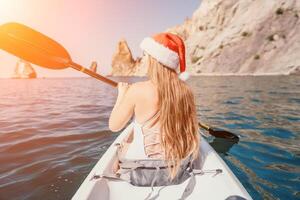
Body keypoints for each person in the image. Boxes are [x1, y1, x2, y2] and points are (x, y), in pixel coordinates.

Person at [109, 32, 199, 179]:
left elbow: (114, 126)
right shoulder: (186, 91)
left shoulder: (137, 89)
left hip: (141, 172)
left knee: (126, 142)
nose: (143, 58)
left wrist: (122, 94)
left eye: (146, 55)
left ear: (155, 59)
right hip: (176, 170)